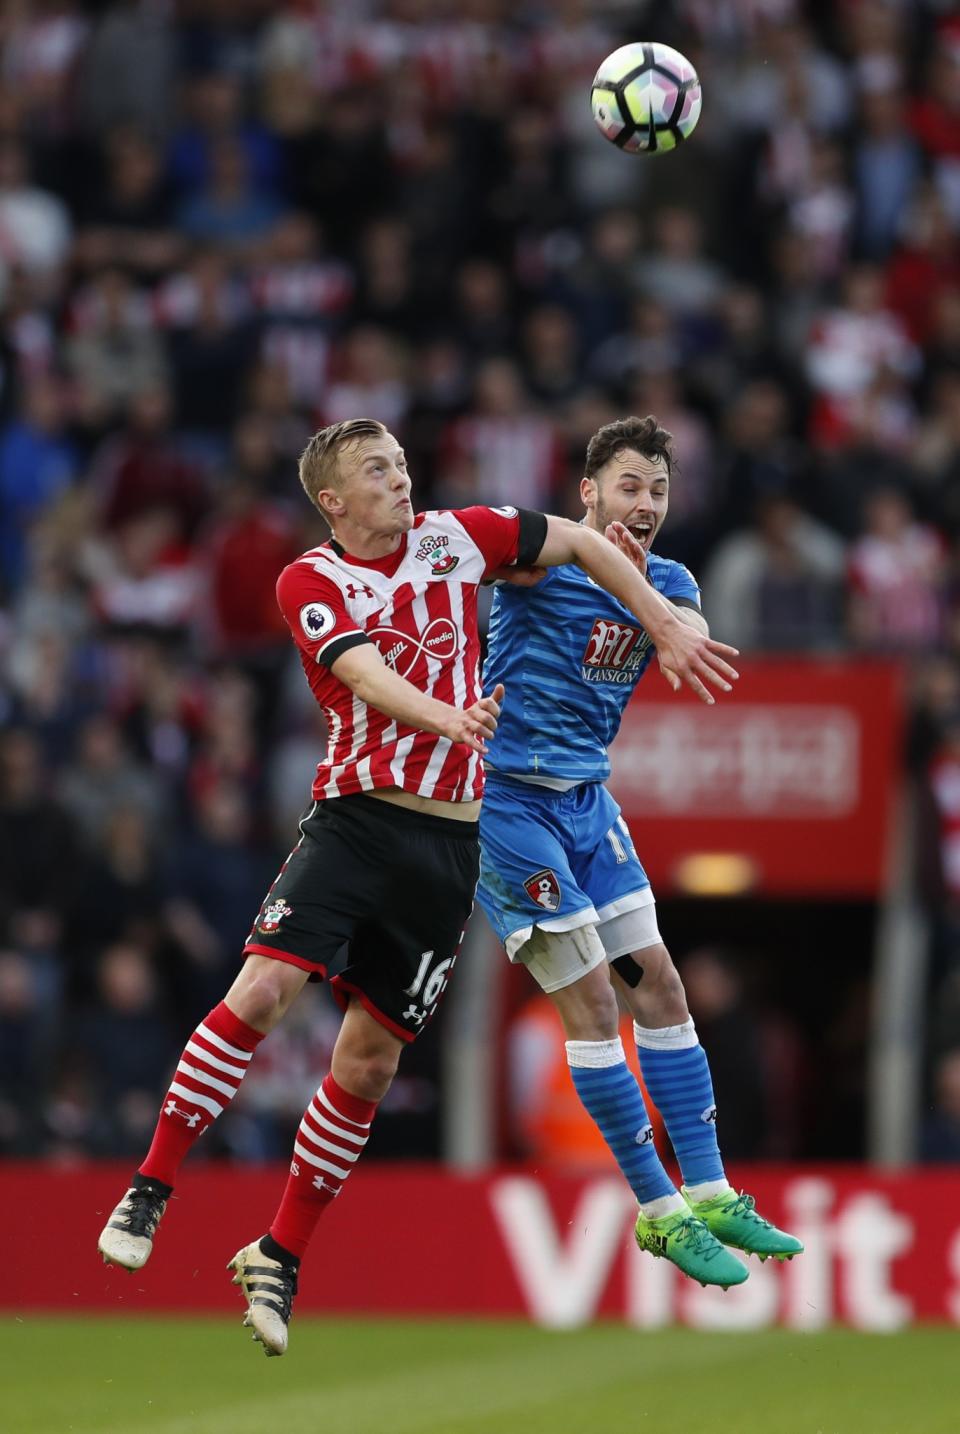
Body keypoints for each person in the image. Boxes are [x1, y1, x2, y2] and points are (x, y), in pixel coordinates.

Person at [97, 417, 739, 1356]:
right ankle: (151, 1185)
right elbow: (358, 671)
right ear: (333, 500)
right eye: (376, 470)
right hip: (356, 822)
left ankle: (280, 1252)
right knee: (266, 990)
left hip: (450, 848)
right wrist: (452, 717)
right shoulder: (309, 579)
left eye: (400, 462)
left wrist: (661, 619)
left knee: (368, 1063)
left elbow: (572, 540)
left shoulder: (458, 534)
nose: (400, 478)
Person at [477, 415, 803, 1291]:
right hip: (507, 801)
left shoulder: (670, 578)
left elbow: (683, 632)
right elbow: (483, 560)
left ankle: (711, 1188)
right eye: (628, 484)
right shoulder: (540, 560)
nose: (646, 503)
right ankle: (659, 1213)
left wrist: (672, 625)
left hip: (589, 804)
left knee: (659, 983)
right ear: (588, 491)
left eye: (658, 488)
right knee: (589, 1002)